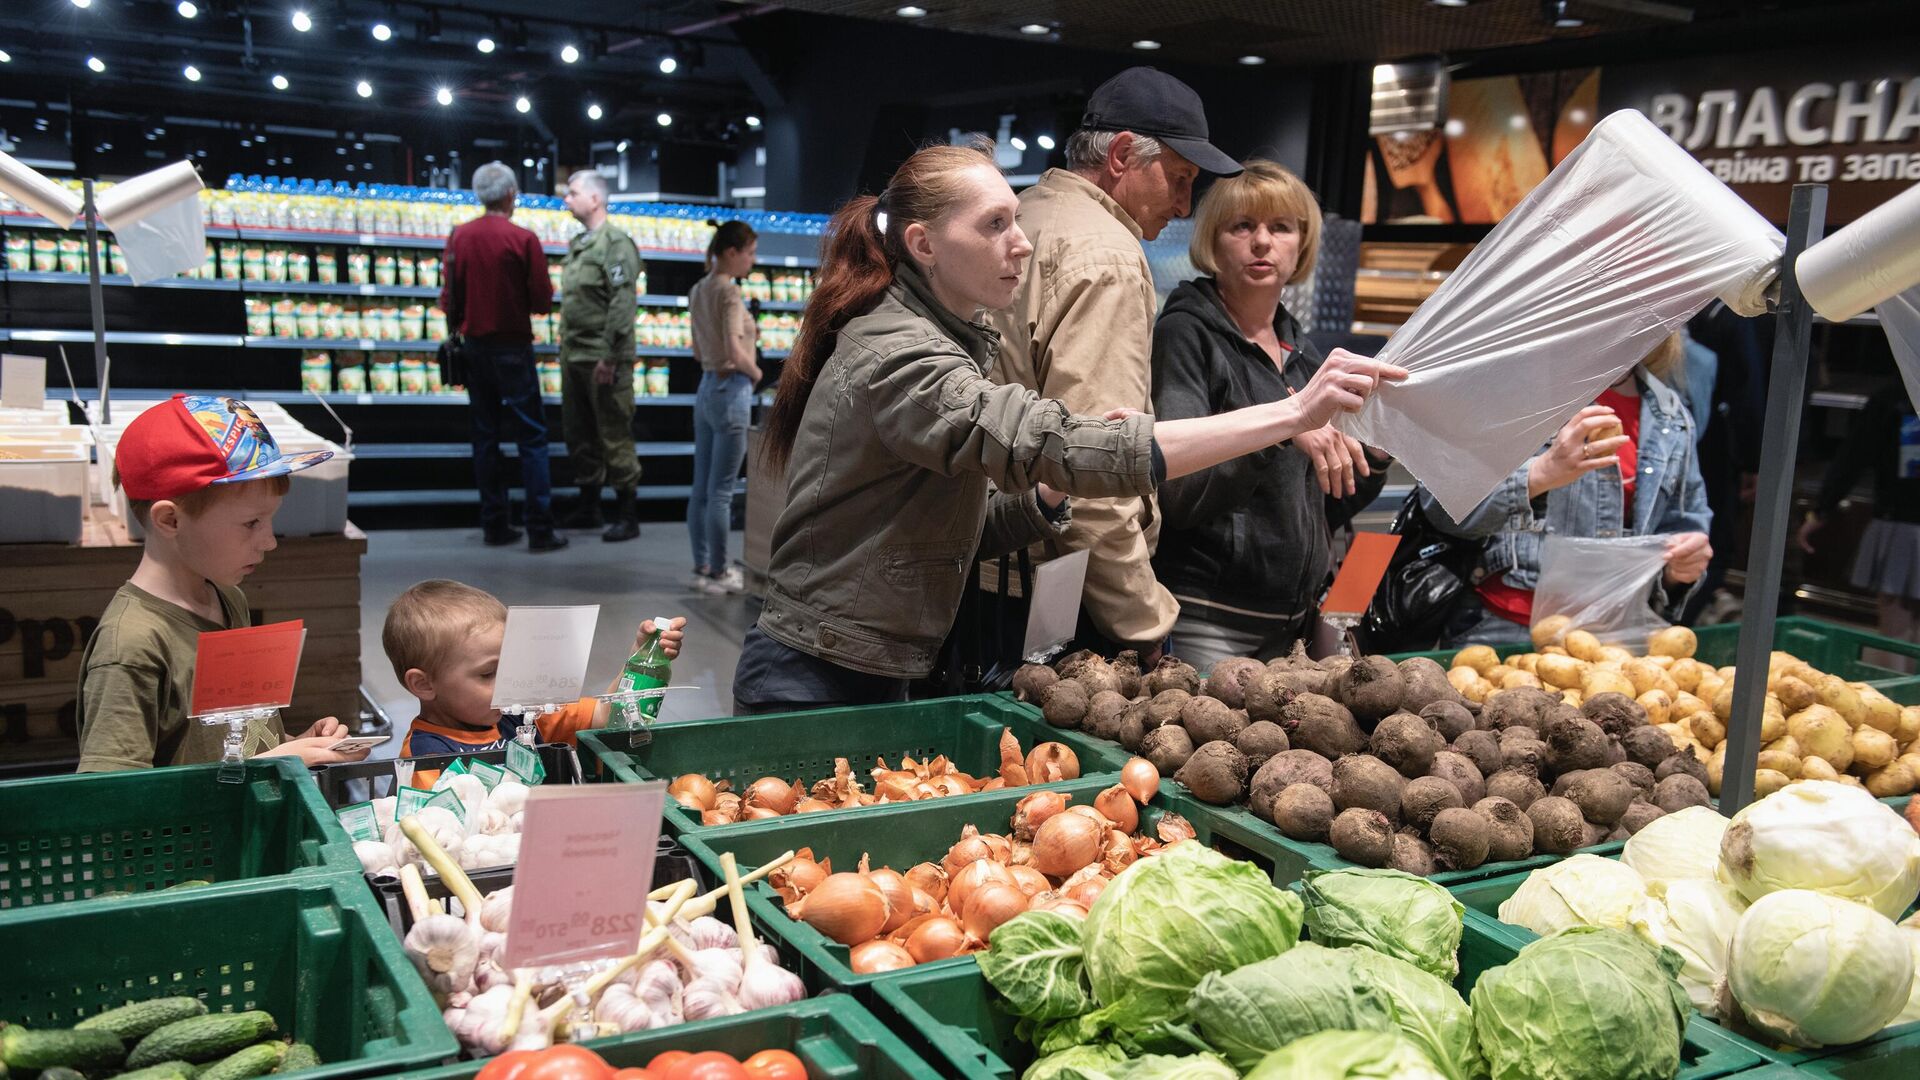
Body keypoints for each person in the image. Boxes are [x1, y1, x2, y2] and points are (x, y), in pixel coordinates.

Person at [731, 141, 1403, 714]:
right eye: (995, 225)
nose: (1021, 243)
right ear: (924, 244)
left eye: (1015, 220)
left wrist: (1049, 500)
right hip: (815, 677)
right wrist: (1291, 415)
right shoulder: (902, 354)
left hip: (876, 665)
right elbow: (1047, 441)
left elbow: (952, 528)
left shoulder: (956, 340)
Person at [987, 66, 1248, 665]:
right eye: (1179, 180)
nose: (1184, 207)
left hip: (985, 564)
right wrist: (1145, 622)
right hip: (1050, 586)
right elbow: (1092, 471)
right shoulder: (1105, 254)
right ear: (1124, 155)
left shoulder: (1026, 214)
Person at [1150, 160, 1391, 668]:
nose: (1263, 242)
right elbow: (1180, 494)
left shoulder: (1301, 350)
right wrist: (1284, 427)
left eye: (1280, 227)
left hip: (1295, 625)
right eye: (1243, 226)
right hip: (1208, 618)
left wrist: (1378, 451)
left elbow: (1321, 502)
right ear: (1213, 242)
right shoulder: (1185, 335)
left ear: (1301, 244)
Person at [75, 395, 366, 772]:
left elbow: (225, 742)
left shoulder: (228, 598)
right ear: (171, 521)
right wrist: (273, 763)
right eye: (251, 523)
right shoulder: (130, 646)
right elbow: (113, 804)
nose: (270, 541)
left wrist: (292, 744)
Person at [1422, 334, 1713, 646]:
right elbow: (1441, 507)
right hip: (1502, 632)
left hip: (1613, 639)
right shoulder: (1510, 392)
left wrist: (1680, 567)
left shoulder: (1670, 415)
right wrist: (1540, 474)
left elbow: (1681, 528)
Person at [384, 579, 686, 787]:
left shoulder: (522, 713)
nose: (507, 681)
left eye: (511, 665)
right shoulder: (425, 759)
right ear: (423, 685)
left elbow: (603, 716)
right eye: (488, 674)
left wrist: (639, 659)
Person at [442, 161, 565, 553]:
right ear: (511, 194)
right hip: (514, 347)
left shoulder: (459, 236)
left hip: (474, 349)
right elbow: (542, 300)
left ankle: (494, 524)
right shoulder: (523, 239)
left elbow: (449, 298)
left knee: (485, 436)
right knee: (532, 437)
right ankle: (539, 529)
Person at [1799, 384, 1920, 670]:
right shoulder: (1892, 399)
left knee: (1896, 631)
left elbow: (1854, 456)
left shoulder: (1894, 397)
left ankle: (1901, 700)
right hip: (1900, 524)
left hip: (1900, 524)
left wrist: (1822, 511)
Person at [557, 169, 645, 542]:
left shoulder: (616, 245)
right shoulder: (579, 244)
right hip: (575, 353)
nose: (567, 199)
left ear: (595, 198)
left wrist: (610, 356)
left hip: (602, 356)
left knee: (613, 432)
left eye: (572, 192)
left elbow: (622, 303)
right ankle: (589, 505)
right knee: (579, 434)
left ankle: (627, 511)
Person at [687, 220, 762, 595]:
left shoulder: (699, 289)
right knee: (722, 491)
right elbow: (735, 351)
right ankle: (719, 571)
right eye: (749, 253)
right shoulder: (729, 294)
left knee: (702, 488)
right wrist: (756, 371)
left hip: (704, 388)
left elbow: (698, 350)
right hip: (731, 390)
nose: (752, 260)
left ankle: (702, 565)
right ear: (732, 253)